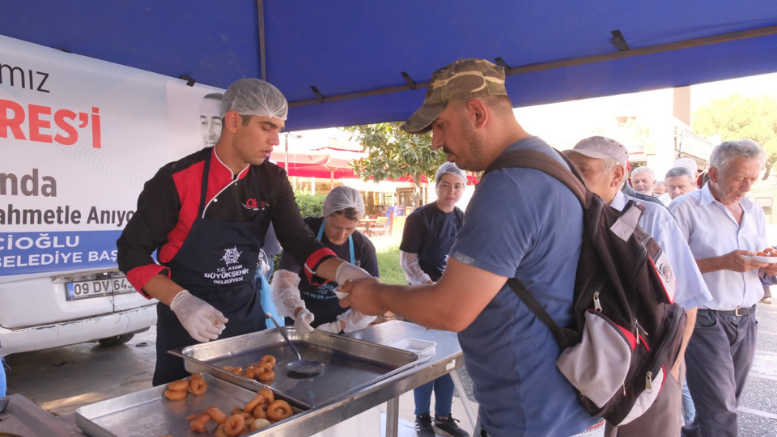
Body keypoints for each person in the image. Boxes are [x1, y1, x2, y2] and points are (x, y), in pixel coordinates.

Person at [340, 58, 603, 437]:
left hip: (531, 417)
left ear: (477, 112)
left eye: (441, 126)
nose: (436, 142)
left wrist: (376, 294)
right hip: (567, 404)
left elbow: (450, 310)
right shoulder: (554, 165)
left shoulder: (508, 186)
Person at [117, 78, 372, 385]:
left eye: (279, 128)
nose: (276, 140)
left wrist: (344, 271)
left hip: (246, 321)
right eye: (267, 127)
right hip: (187, 326)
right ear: (234, 121)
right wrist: (180, 301)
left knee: (249, 410)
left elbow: (300, 240)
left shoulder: (272, 180)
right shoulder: (176, 179)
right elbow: (131, 251)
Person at [565, 136, 711, 437]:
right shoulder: (568, 218)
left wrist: (671, 367)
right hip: (585, 373)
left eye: (583, 171)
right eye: (571, 170)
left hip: (647, 371)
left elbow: (687, 299)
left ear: (617, 175)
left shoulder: (652, 218)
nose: (574, 180)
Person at [669, 140, 777, 437]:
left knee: (722, 407)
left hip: (747, 319)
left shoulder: (753, 210)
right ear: (714, 174)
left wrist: (768, 265)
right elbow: (665, 267)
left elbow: (754, 263)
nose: (746, 187)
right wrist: (721, 263)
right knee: (720, 412)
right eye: (740, 178)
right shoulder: (684, 209)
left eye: (753, 179)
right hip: (705, 319)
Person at [400, 162, 468, 437]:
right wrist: (430, 286)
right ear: (436, 185)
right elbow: (408, 262)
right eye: (445, 184)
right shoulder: (420, 218)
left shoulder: (463, 219)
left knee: (448, 360)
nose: (451, 191)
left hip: (451, 301)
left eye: (457, 186)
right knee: (424, 359)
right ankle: (421, 417)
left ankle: (443, 416)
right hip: (422, 299)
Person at [271, 186, 378, 334]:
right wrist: (299, 312)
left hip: (342, 328)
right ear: (325, 214)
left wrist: (338, 325)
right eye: (336, 226)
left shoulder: (364, 248)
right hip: (300, 323)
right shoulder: (304, 234)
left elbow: (372, 300)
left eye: (349, 229)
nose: (341, 235)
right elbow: (284, 283)